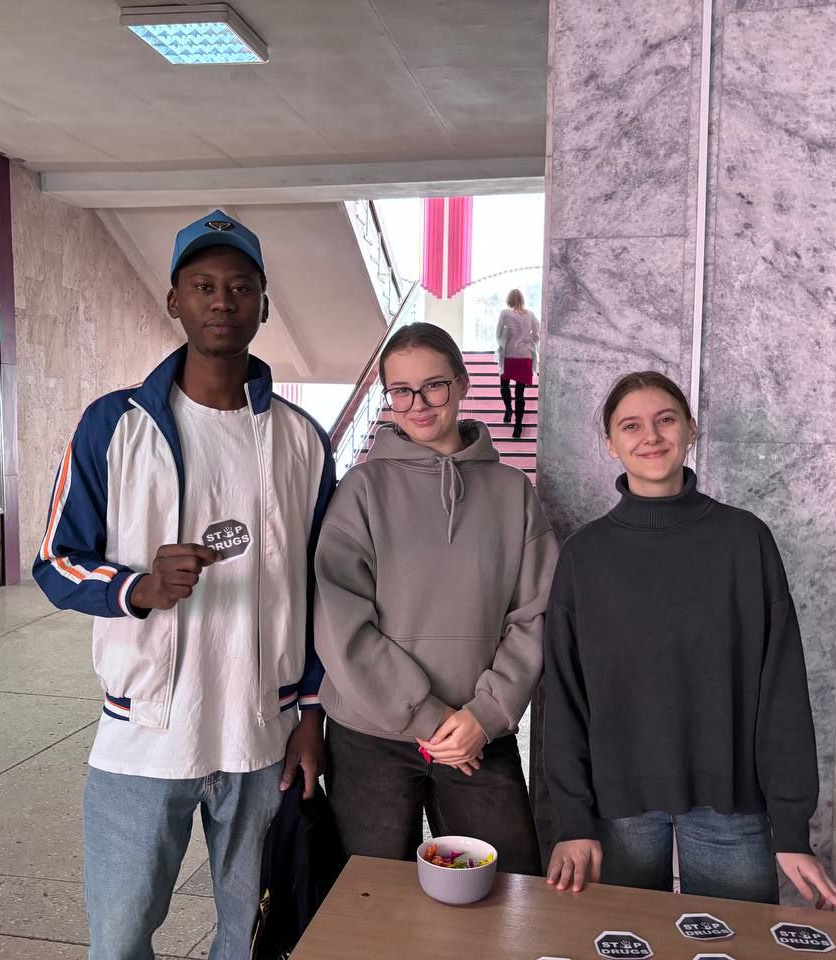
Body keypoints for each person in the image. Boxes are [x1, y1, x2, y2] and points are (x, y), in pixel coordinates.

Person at [31, 211, 336, 960]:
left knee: (253, 938)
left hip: (262, 737)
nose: (222, 300)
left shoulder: (301, 440)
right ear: (174, 301)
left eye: (240, 287)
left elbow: (324, 588)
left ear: (264, 304)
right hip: (143, 738)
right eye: (203, 286)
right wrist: (134, 587)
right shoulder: (113, 425)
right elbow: (55, 561)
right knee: (120, 939)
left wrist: (312, 713)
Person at [541, 371, 836, 915]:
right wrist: (573, 820)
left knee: (733, 945)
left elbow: (781, 690)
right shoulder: (584, 556)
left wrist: (790, 829)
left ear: (691, 429)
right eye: (631, 425)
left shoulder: (744, 540)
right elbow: (565, 697)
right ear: (610, 443)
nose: (651, 436)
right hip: (616, 809)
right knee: (621, 946)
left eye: (665, 420)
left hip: (730, 804)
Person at [316, 322, 557, 879]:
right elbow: (339, 620)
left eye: (433, 386)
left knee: (507, 893)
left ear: (462, 382)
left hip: (479, 732)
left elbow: (535, 613)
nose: (418, 404)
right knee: (369, 900)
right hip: (370, 737)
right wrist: (427, 715)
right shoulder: (360, 491)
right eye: (401, 391)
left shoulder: (513, 493)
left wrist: (485, 715)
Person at [494, 289, 540, 439]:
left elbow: (498, 334)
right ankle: (518, 427)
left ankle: (508, 410)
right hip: (525, 356)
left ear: (509, 300)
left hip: (509, 354)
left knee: (504, 385)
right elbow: (537, 335)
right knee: (520, 393)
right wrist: (527, 341)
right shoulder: (531, 315)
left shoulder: (504, 313)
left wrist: (504, 343)